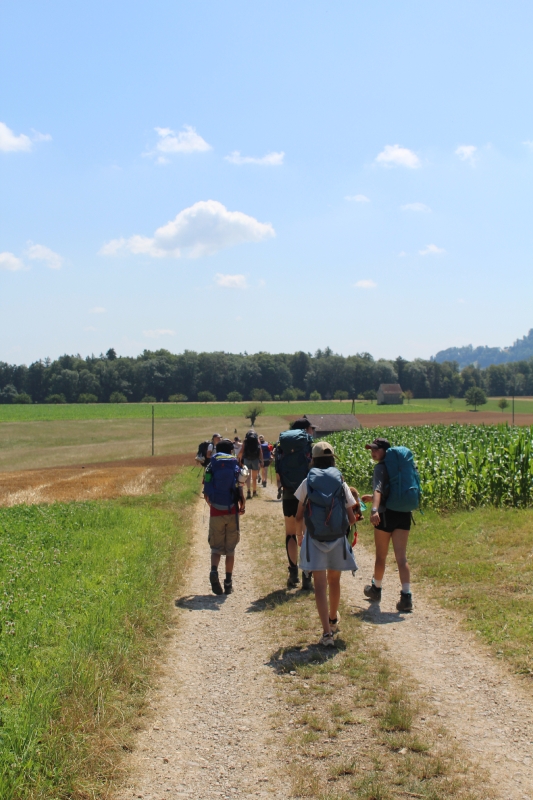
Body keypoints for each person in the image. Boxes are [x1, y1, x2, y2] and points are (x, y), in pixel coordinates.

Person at [295, 441, 358, 647]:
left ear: (313, 460)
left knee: (320, 586)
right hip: (337, 538)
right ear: (332, 460)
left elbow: (299, 515)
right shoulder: (341, 481)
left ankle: (326, 634)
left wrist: (299, 535)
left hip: (314, 538)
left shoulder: (307, 482)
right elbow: (352, 517)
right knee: (334, 581)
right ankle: (333, 619)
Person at [361, 437, 414, 613]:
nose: (373, 452)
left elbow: (378, 490)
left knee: (381, 556)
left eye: (376, 449)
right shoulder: (400, 468)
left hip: (385, 515)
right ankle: (406, 597)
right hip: (404, 514)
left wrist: (374, 509)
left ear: (386, 451)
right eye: (371, 449)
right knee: (401, 557)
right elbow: (390, 491)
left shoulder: (380, 468)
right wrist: (373, 499)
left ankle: (376, 589)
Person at [275, 417, 315, 589]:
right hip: (308, 493)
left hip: (289, 493)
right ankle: (307, 575)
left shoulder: (282, 445)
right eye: (311, 428)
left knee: (290, 533)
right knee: (307, 534)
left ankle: (293, 573)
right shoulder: (309, 445)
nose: (312, 431)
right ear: (305, 430)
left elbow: (278, 471)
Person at [203, 438, 245, 595]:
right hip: (231, 511)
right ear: (231, 451)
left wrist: (212, 505)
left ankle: (214, 571)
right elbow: (240, 488)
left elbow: (206, 490)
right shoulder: (234, 465)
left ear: (217, 451)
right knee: (230, 549)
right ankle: (228, 583)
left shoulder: (211, 465)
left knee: (216, 548)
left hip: (216, 511)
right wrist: (242, 505)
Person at [239, 429, 263, 499]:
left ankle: (248, 491)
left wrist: (239, 458)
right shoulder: (257, 440)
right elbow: (260, 451)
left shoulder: (245, 441)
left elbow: (242, 450)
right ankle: (254, 492)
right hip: (255, 459)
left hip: (247, 459)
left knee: (248, 477)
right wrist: (262, 460)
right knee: (254, 478)